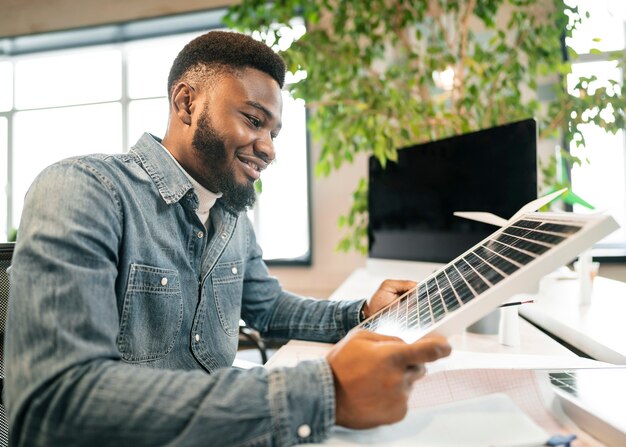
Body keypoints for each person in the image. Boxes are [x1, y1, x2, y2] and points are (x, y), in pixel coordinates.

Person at [4, 30, 451, 446]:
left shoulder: (231, 216)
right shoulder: (83, 189)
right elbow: (55, 403)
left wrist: (361, 312)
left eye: (273, 133)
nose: (270, 148)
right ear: (186, 104)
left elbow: (268, 306)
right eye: (254, 120)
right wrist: (322, 389)